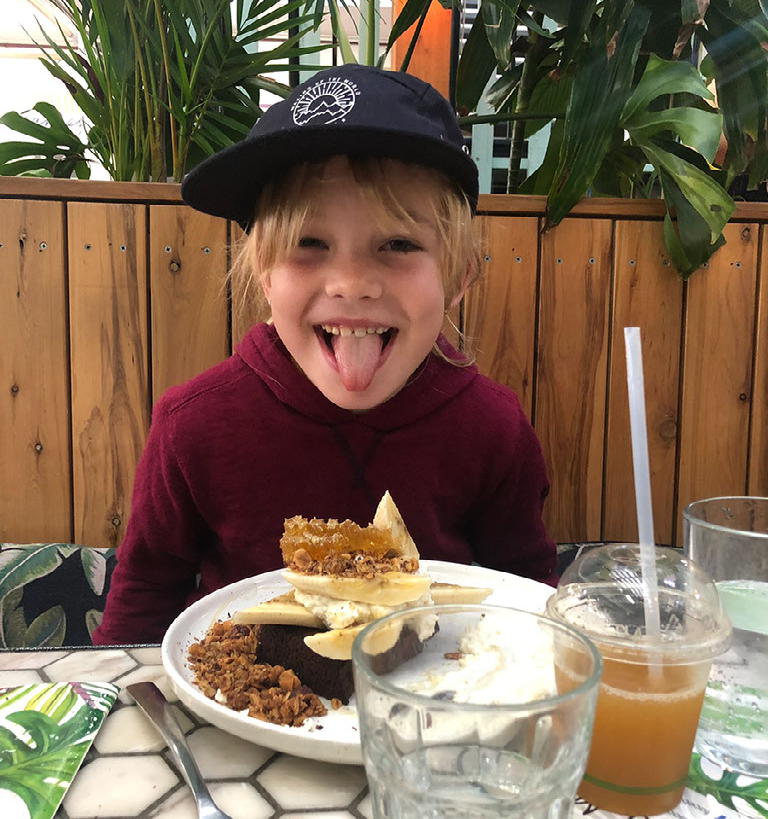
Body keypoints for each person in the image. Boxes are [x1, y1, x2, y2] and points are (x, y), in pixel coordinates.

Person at [93, 64, 557, 645]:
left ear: (459, 276)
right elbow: (139, 605)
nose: (351, 284)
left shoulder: (493, 428)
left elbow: (531, 602)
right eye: (308, 244)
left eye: (398, 243)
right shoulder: (193, 424)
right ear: (264, 272)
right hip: (232, 697)